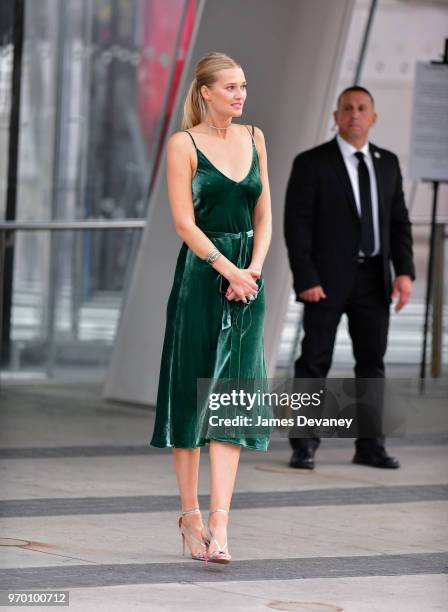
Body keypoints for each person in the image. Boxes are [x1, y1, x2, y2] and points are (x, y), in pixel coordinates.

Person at [150, 52, 272, 563]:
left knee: (235, 399)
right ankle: (190, 515)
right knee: (190, 392)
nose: (240, 95)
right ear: (206, 92)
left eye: (243, 86)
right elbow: (184, 223)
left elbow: (264, 214)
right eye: (229, 88)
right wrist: (228, 270)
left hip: (248, 279)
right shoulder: (184, 144)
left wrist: (253, 273)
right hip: (203, 276)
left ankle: (221, 523)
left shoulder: (256, 137)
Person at [284, 86, 415, 471]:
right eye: (347, 109)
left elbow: (399, 223)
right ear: (336, 116)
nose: (354, 115)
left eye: (362, 109)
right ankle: (304, 445)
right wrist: (305, 276)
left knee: (372, 362)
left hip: (374, 280)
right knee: (313, 362)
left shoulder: (387, 163)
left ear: (373, 117)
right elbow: (297, 226)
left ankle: (370, 446)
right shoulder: (312, 163)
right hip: (324, 282)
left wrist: (404, 272)